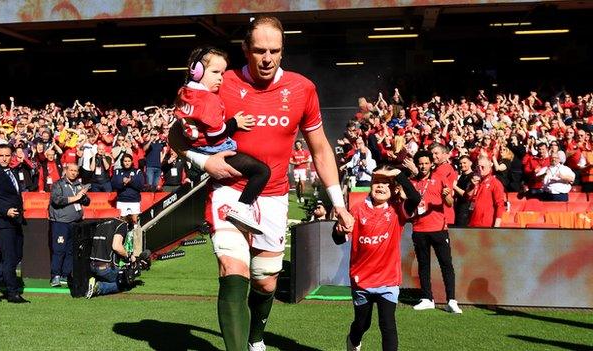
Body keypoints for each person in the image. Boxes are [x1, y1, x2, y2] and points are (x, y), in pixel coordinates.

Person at [169, 16, 354, 351]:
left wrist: (338, 203)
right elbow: (175, 133)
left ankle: (256, 337)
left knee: (266, 281)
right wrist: (204, 161)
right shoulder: (220, 81)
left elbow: (321, 148)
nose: (267, 58)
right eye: (259, 50)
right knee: (231, 268)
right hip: (229, 188)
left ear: (283, 52)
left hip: (273, 196)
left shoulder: (302, 88)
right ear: (245, 50)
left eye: (274, 50)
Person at [175, 46, 270, 234]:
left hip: (195, 149)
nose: (221, 77)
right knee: (262, 171)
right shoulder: (209, 100)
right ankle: (242, 208)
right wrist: (235, 123)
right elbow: (215, 134)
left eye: (223, 73)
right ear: (197, 71)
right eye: (215, 72)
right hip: (213, 150)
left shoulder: (184, 92)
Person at [333, 167, 420, 351]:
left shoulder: (398, 211)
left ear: (394, 189)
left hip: (388, 280)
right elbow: (338, 238)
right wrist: (338, 231)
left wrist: (398, 175)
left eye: (386, 183)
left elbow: (415, 198)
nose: (381, 186)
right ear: (371, 186)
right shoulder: (357, 210)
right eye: (377, 182)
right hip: (361, 279)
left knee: (387, 325)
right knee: (362, 324)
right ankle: (353, 340)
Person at [409, 150, 461, 314]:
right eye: (421, 163)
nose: (423, 166)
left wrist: (446, 196)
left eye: (426, 163)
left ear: (431, 163)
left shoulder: (439, 178)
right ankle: (427, 298)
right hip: (419, 228)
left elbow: (450, 203)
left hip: (438, 228)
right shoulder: (412, 182)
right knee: (423, 265)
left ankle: (451, 300)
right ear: (417, 164)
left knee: (446, 264)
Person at [0, 144, 29, 303]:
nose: (4, 158)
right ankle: (12, 293)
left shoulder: (13, 171)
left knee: (17, 256)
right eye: (1, 155)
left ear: (12, 156)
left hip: (15, 220)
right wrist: (5, 211)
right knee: (9, 258)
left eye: (7, 155)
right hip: (2, 222)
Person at [48, 163, 91, 287]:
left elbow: (87, 202)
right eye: (71, 170)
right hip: (61, 222)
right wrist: (76, 197)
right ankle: (55, 275)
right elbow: (57, 200)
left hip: (75, 223)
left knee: (71, 250)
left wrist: (83, 196)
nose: (73, 173)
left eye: (76, 171)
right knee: (59, 249)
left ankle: (66, 275)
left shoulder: (78, 185)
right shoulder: (58, 184)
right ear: (66, 171)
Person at [86, 216, 134, 298]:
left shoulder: (101, 223)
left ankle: (95, 281)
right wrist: (128, 256)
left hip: (92, 266)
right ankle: (99, 287)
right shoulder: (121, 225)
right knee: (125, 282)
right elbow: (116, 246)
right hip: (106, 268)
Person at [466, 156, 505, 227]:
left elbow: (500, 205)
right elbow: (468, 197)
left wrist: (496, 226)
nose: (480, 169)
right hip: (472, 223)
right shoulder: (476, 181)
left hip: (486, 225)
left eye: (482, 167)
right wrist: (472, 186)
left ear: (489, 167)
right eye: (478, 167)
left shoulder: (495, 183)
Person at [111, 154, 144, 224]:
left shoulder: (137, 171)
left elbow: (141, 186)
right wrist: (123, 183)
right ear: (122, 162)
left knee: (135, 222)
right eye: (125, 161)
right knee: (121, 222)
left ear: (132, 162)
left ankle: (135, 234)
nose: (127, 163)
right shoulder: (117, 171)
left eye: (129, 161)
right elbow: (113, 185)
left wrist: (131, 182)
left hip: (134, 201)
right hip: (122, 201)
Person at [452, 155, 474, 227]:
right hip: (458, 208)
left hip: (466, 210)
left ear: (470, 163)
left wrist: (454, 187)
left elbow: (466, 195)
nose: (462, 165)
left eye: (464, 163)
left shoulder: (473, 177)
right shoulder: (462, 176)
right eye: (460, 163)